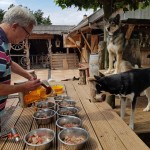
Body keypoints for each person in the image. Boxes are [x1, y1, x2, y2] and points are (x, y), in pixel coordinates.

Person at [0, 6, 41, 115]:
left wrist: (29, 77)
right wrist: (24, 87)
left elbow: (10, 63)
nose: (26, 37)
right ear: (15, 26)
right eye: (27, 33)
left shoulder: (4, 42)